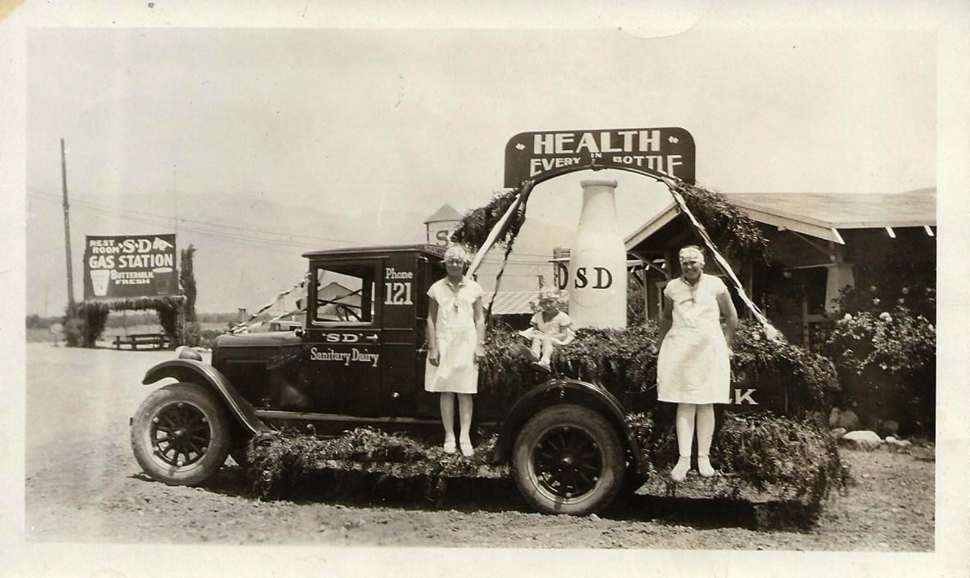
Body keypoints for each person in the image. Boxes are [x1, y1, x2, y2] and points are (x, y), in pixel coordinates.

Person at [656, 245, 738, 482]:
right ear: (680, 265)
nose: (689, 267)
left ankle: (703, 458)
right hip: (681, 345)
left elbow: (731, 317)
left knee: (705, 402)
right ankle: (683, 460)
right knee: (685, 401)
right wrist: (660, 344)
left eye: (693, 262)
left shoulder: (715, 285)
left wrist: (726, 343)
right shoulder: (672, 288)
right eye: (684, 263)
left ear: (702, 263)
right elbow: (666, 317)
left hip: (709, 346)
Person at [426, 245, 486, 457]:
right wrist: (433, 347)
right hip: (444, 341)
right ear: (445, 264)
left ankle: (465, 437)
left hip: (467, 342)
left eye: (458, 262)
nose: (454, 265)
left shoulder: (474, 288)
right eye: (450, 261)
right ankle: (449, 436)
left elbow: (480, 319)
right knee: (447, 389)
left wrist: (480, 344)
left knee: (465, 391)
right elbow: (431, 319)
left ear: (464, 264)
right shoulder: (436, 289)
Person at [518, 287, 575, 372]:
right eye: (544, 303)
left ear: (558, 302)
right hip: (542, 337)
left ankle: (545, 361)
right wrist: (536, 333)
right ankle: (535, 354)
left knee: (547, 341)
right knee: (536, 339)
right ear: (540, 304)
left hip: (556, 339)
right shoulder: (537, 317)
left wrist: (547, 336)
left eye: (551, 301)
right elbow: (535, 330)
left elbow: (563, 335)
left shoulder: (562, 317)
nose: (547, 305)